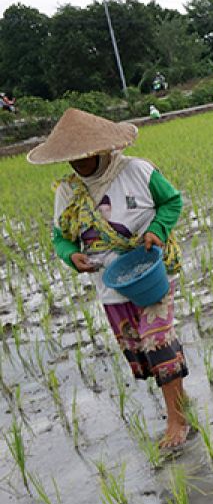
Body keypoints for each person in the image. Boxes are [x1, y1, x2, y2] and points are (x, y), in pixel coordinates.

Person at [27, 108, 191, 448]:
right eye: (71, 157)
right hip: (110, 284)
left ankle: (177, 422)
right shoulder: (68, 194)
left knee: (157, 342)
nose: (78, 162)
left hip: (150, 272)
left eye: (84, 155)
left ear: (102, 149)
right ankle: (180, 399)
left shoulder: (136, 171)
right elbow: (61, 237)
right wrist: (71, 256)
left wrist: (158, 230)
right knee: (143, 353)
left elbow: (172, 201)